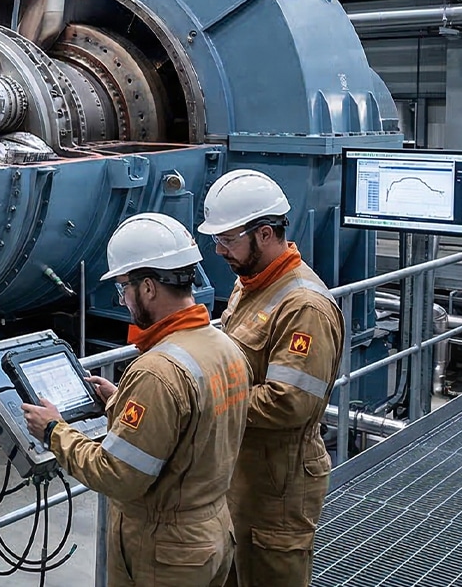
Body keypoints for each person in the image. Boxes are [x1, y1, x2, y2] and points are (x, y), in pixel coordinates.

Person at [23, 213, 250, 587]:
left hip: (165, 552)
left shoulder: (156, 371)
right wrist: (117, 402)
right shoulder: (223, 345)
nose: (124, 300)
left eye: (124, 289)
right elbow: (190, 428)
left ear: (147, 289)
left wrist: (53, 431)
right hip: (212, 532)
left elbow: (119, 476)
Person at [197, 169, 343, 587]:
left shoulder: (303, 306)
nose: (220, 250)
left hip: (279, 485)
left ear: (264, 234)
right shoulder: (249, 285)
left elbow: (290, 402)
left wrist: (203, 401)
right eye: (216, 239)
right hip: (241, 472)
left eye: (227, 239)